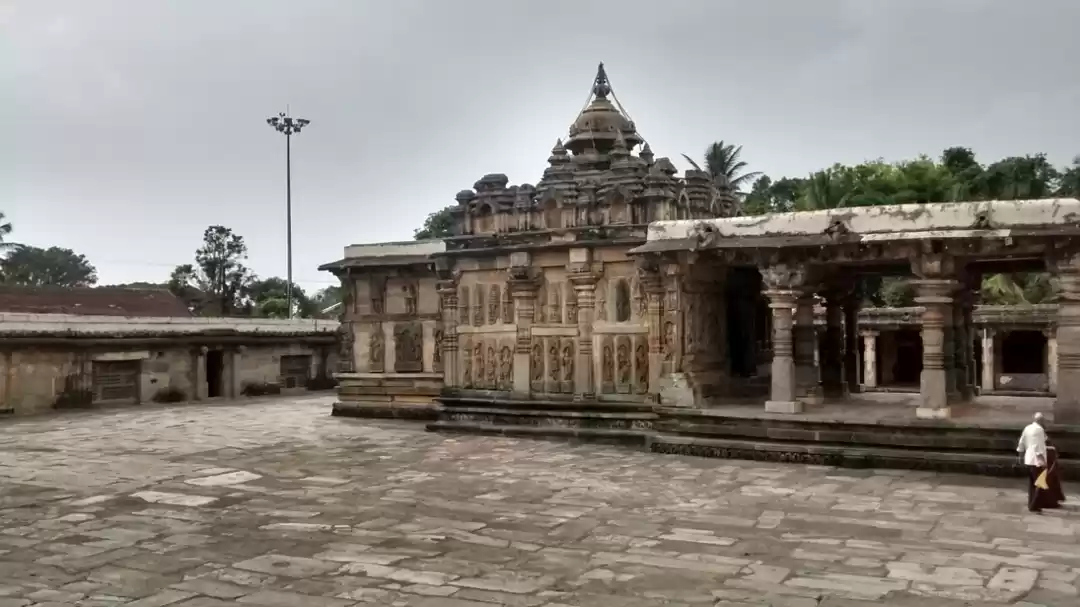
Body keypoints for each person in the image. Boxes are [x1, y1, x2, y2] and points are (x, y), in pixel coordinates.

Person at [1017, 413, 1048, 512]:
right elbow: (1038, 447)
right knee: (1039, 484)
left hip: (1028, 459)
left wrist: (1020, 457)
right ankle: (1034, 505)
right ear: (1041, 421)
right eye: (1043, 421)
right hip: (1036, 461)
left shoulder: (1027, 428)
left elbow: (1021, 443)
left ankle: (1031, 503)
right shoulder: (1039, 430)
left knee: (1032, 484)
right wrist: (1043, 461)